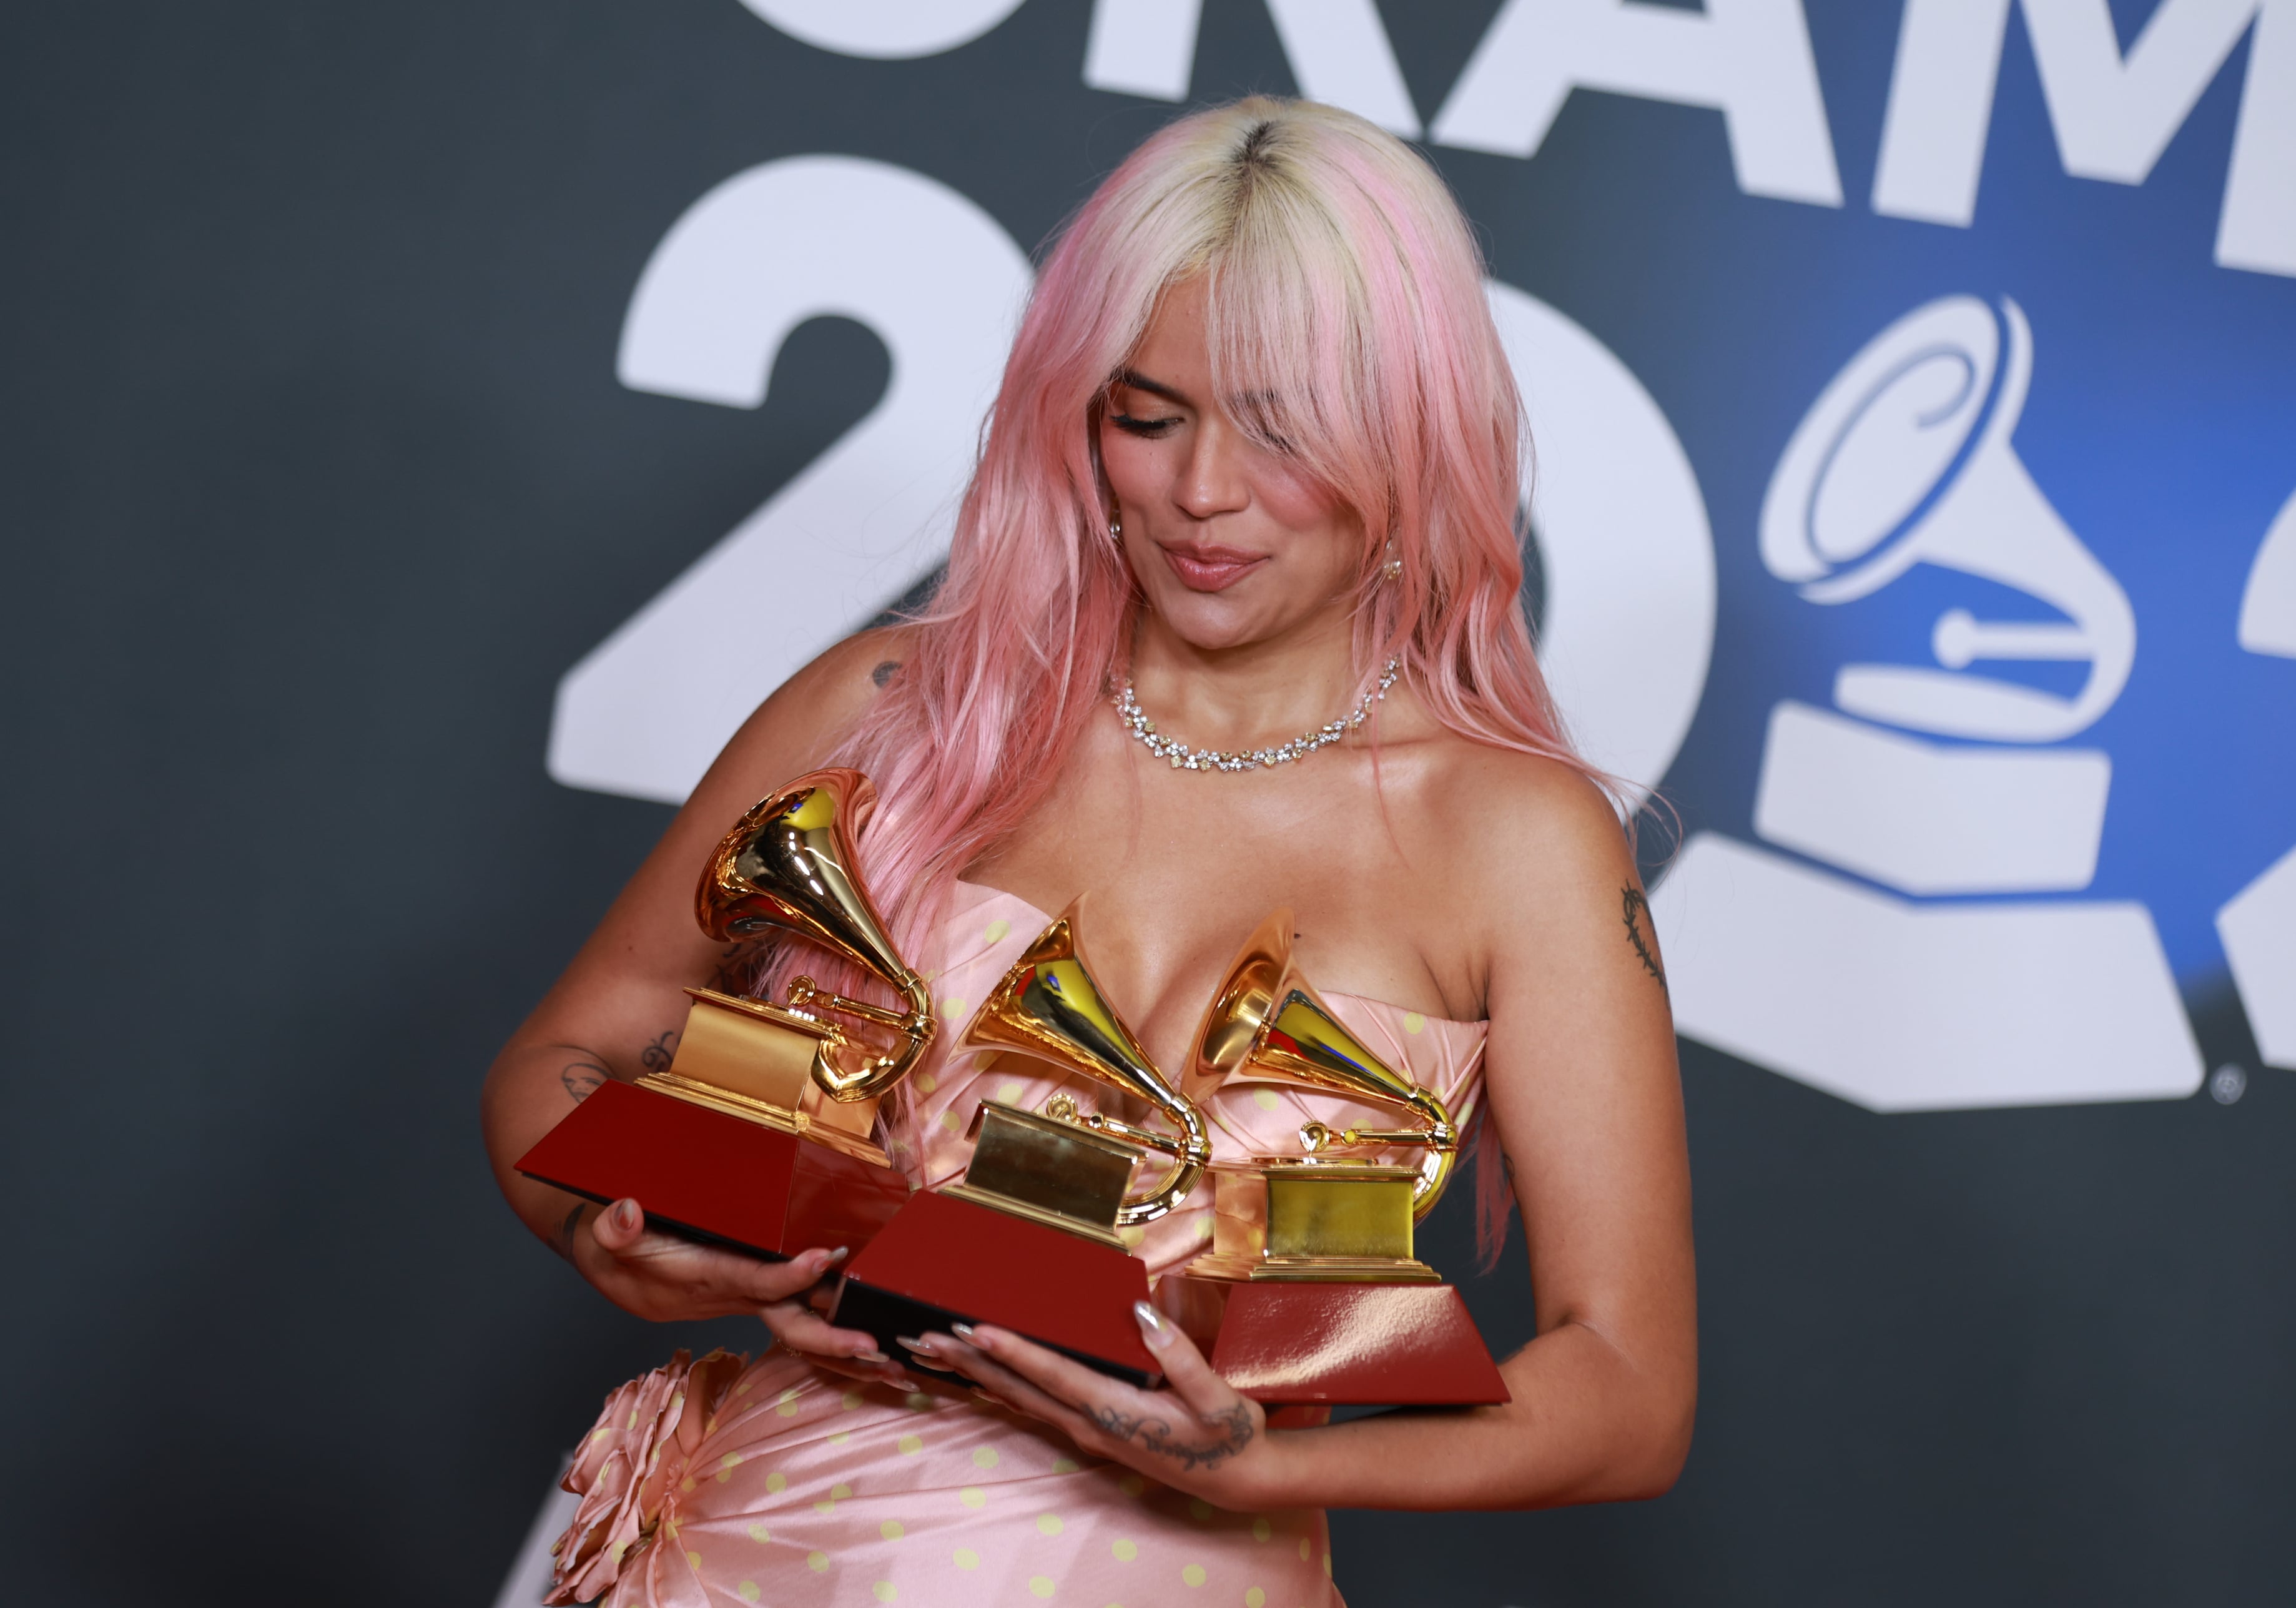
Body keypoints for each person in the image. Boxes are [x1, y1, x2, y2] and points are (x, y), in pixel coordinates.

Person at [481, 96, 1694, 1608]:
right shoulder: (888, 709)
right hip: (741, 1561)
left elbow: (1629, 1386)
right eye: (1150, 413)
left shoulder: (1513, 837)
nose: (1203, 494)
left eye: (1282, 423)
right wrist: (614, 1240)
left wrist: (1261, 1461)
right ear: (1081, 412)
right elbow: (559, 1066)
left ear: (1412, 430)